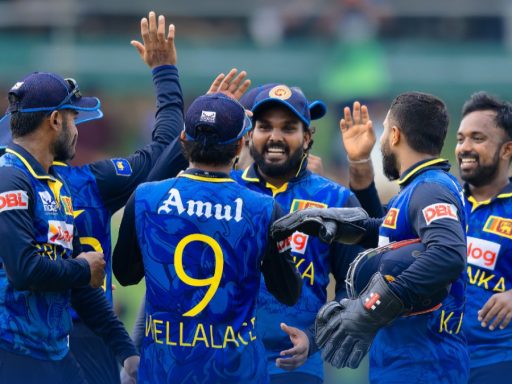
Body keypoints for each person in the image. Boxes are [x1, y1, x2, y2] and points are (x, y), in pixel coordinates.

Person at [274, 93, 468, 383]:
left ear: (394, 134)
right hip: (406, 361)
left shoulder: (430, 189)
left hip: (426, 363)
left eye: (384, 132)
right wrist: (335, 225)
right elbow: (390, 235)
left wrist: (371, 306)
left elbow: (448, 255)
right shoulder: (419, 187)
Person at [112, 92, 302, 383]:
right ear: (241, 144)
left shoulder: (145, 197)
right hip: (237, 374)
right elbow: (288, 292)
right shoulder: (264, 209)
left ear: (184, 139)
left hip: (164, 373)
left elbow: (125, 275)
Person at [0, 70, 139, 383]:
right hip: (12, 355)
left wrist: (127, 353)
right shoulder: (9, 179)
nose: (77, 131)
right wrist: (80, 267)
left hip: (52, 355)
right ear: (54, 121)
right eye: (74, 118)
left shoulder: (54, 185)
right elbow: (23, 270)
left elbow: (80, 285)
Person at [230, 84, 365, 384]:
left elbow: (354, 289)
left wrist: (315, 339)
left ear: (306, 138)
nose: (275, 136)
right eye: (264, 126)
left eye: (288, 127)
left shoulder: (336, 200)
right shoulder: (224, 191)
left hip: (294, 369)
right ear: (249, 135)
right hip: (223, 362)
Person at [455, 92, 512, 383]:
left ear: (506, 150)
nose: (465, 147)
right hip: (439, 359)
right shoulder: (442, 199)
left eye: (477, 138)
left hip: (498, 361)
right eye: (460, 138)